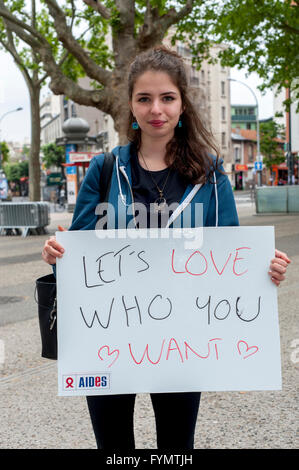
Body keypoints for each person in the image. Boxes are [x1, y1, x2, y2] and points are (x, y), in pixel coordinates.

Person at [42, 46, 291, 449]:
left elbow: (233, 256)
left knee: (177, 449)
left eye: (167, 97)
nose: (156, 108)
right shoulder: (105, 170)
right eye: (144, 98)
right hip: (108, 342)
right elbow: (75, 257)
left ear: (182, 104)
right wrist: (57, 257)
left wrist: (266, 271)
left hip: (183, 342)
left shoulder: (210, 175)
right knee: (114, 450)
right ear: (131, 106)